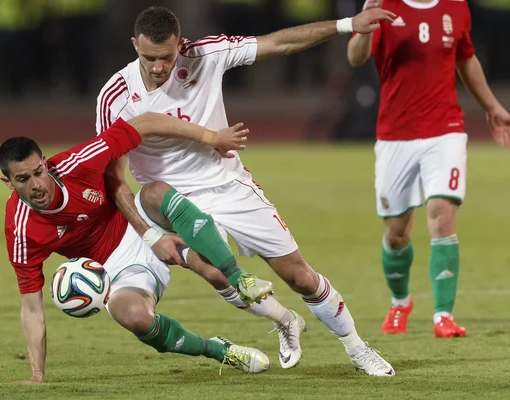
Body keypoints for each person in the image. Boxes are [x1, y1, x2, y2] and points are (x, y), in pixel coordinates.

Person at [95, 6, 396, 375]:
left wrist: (347, 24)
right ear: (133, 45)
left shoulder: (205, 54)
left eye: (166, 57)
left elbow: (278, 43)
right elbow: (114, 177)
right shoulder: (116, 96)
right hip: (172, 202)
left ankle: (357, 347)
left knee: (299, 276)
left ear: (180, 44)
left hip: (228, 185)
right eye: (148, 58)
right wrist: (149, 232)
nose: (158, 67)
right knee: (216, 270)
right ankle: (285, 320)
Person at [0, 112, 272, 384]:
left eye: (39, 172)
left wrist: (213, 137)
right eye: (23, 179)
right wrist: (37, 374)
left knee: (160, 198)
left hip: (136, 218)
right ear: (9, 183)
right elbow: (32, 307)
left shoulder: (77, 164)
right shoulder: (21, 230)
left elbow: (147, 122)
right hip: (114, 271)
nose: (36, 184)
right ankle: (219, 350)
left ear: (46, 164)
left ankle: (240, 278)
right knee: (134, 317)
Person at [347, 0, 510, 338]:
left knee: (442, 213)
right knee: (396, 234)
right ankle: (400, 301)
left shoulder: (456, 7)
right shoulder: (384, 5)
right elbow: (355, 57)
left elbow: (465, 58)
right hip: (395, 134)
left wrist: (492, 106)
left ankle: (443, 316)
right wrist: (363, 24)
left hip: (445, 129)